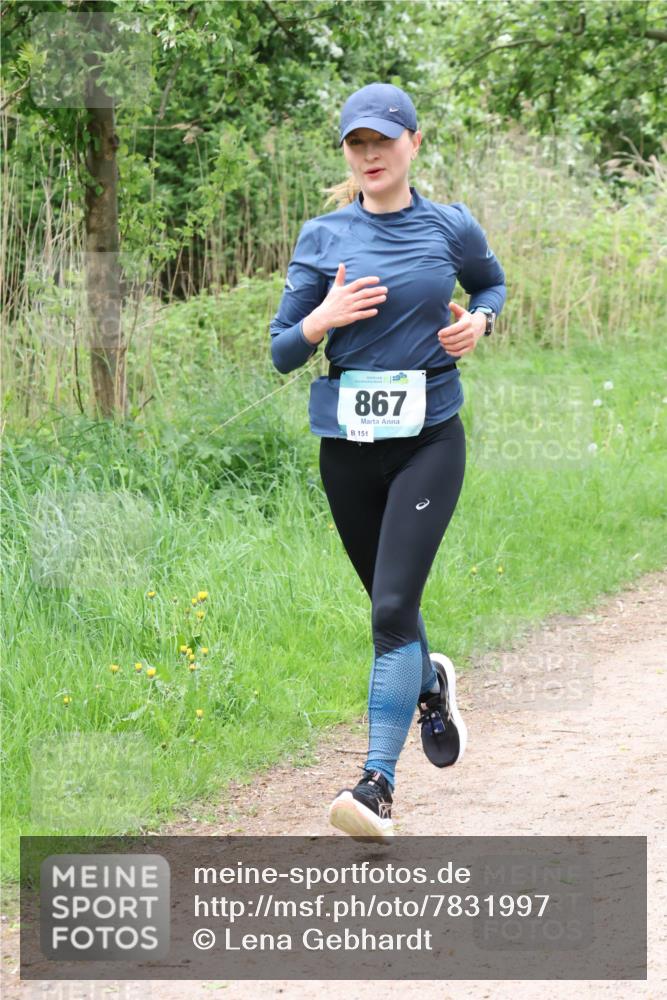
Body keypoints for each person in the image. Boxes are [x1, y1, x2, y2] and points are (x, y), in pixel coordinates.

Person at [269, 82, 506, 840]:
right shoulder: (322, 236)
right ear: (347, 152)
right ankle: (429, 680)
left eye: (381, 140)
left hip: (430, 437)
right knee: (393, 609)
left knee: (389, 611)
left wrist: (481, 322)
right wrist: (322, 319)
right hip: (346, 450)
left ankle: (374, 785)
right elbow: (280, 350)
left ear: (412, 142)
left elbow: (490, 283)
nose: (369, 154)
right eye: (355, 143)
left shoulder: (449, 225)